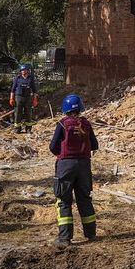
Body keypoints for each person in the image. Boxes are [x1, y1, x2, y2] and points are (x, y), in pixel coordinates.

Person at [49, 94, 98, 247]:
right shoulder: (86, 124)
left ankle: (65, 238)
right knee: (84, 199)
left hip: (66, 166)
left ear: (65, 109)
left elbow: (53, 146)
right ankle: (91, 235)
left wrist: (63, 153)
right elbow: (95, 145)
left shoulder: (62, 124)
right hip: (84, 165)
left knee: (63, 200)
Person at [9, 63, 39, 134]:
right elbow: (12, 90)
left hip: (28, 98)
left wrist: (35, 100)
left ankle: (28, 129)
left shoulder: (30, 79)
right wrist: (11, 98)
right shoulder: (18, 78)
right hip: (18, 98)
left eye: (24, 70)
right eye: (22, 70)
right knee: (17, 113)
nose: (23, 71)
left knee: (28, 113)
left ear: (27, 71)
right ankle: (17, 129)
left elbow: (34, 90)